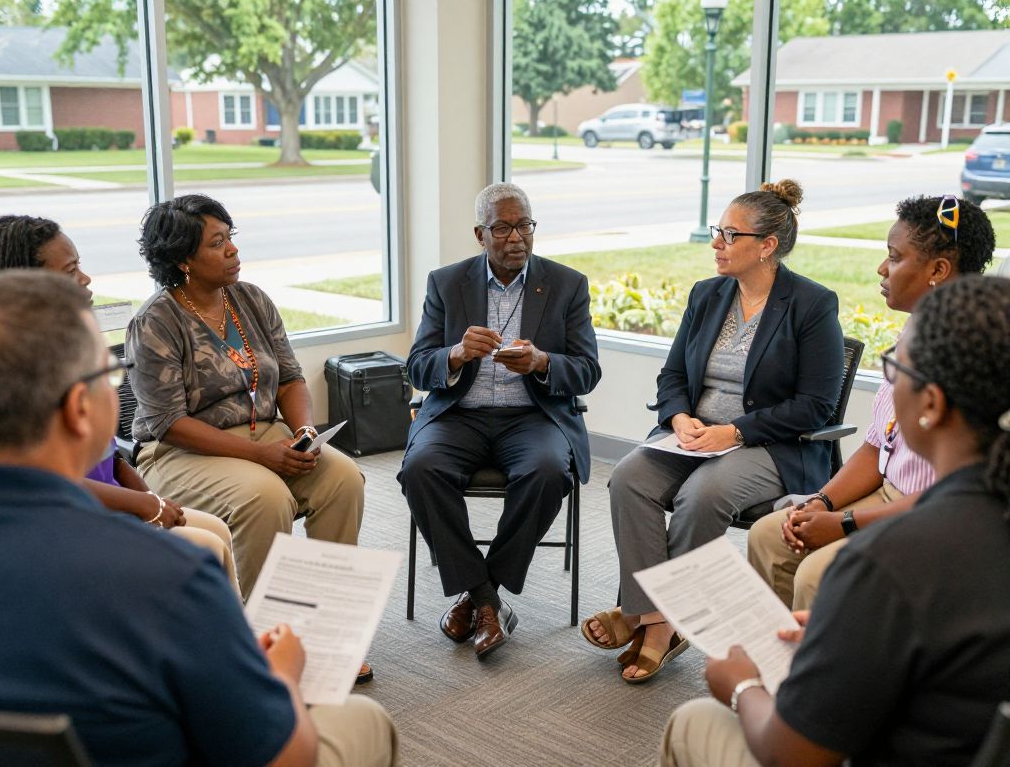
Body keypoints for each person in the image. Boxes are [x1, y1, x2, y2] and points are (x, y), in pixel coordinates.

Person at [0, 270, 398, 767]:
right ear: (79, 409)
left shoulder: (250, 300)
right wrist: (284, 676)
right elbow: (283, 756)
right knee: (364, 720)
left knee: (341, 477)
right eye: (110, 375)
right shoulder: (168, 576)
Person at [661, 275, 1010, 767]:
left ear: (930, 404)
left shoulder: (886, 564)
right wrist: (848, 633)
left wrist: (741, 686)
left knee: (694, 720)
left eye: (895, 367)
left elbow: (793, 755)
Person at [583, 180, 845, 683]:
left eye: (729, 234)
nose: (716, 243)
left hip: (771, 445)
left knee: (701, 496)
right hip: (693, 435)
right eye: (716, 231)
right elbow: (672, 375)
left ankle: (650, 625)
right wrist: (679, 417)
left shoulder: (812, 304)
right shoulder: (707, 295)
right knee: (629, 478)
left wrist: (735, 432)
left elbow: (816, 406)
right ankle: (655, 617)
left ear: (767, 245)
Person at [747, 194, 996, 610]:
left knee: (816, 574)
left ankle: (819, 651)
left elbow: (951, 495)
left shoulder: (972, 356)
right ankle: (776, 647)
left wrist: (842, 522)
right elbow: (878, 444)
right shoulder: (915, 331)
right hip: (886, 493)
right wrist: (821, 503)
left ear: (938, 270)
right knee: (769, 536)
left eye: (894, 258)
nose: (882, 268)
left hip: (932, 514)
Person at [126, 194, 364, 604]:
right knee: (265, 498)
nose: (233, 250)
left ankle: (327, 617)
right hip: (180, 451)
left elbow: (290, 379)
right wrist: (261, 455)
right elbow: (170, 424)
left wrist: (305, 431)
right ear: (183, 260)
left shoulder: (251, 299)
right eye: (217, 243)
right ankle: (262, 627)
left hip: (266, 432)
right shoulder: (155, 322)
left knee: (342, 478)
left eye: (230, 237)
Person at [398, 182, 601, 659]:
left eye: (524, 225)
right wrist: (454, 354)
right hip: (459, 415)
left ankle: (477, 596)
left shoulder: (567, 284)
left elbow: (588, 371)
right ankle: (488, 600)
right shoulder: (446, 283)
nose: (516, 238)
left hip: (533, 416)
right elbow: (417, 367)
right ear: (480, 234)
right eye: (503, 228)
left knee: (548, 471)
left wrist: (542, 362)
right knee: (420, 469)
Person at [0, 213, 239, 593]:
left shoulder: (67, 347)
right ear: (28, 283)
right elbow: (48, 483)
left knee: (213, 529)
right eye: (71, 271)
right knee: (203, 546)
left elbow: (112, 457)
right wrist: (141, 507)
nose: (85, 279)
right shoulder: (15, 377)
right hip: (71, 520)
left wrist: (149, 498)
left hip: (115, 503)